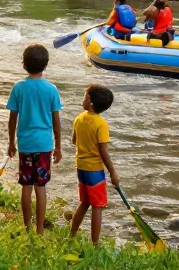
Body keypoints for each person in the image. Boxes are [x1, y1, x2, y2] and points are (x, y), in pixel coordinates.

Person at [6, 44, 63, 235]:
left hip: (25, 144)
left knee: (26, 185)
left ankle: (27, 227)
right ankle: (39, 229)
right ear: (45, 65)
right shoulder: (51, 89)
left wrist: (11, 143)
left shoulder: (19, 87)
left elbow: (12, 118)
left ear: (24, 64)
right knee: (41, 187)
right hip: (45, 145)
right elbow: (56, 121)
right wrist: (59, 146)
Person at [69, 84, 119, 245]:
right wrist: (112, 172)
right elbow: (103, 151)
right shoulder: (101, 123)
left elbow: (74, 141)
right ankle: (95, 244)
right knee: (98, 205)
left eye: (85, 96)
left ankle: (71, 235)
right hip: (94, 170)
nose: (83, 99)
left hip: (80, 166)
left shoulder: (79, 119)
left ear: (90, 102)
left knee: (84, 202)